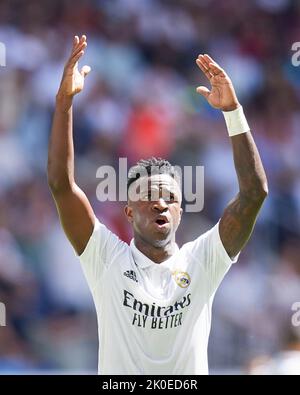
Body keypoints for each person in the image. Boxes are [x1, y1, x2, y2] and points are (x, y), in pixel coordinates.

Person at [47, 35, 268, 374]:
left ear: (180, 211)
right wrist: (63, 104)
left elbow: (254, 194)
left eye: (170, 198)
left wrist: (233, 114)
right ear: (129, 212)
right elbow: (62, 185)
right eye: (149, 197)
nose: (160, 204)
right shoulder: (106, 258)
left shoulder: (203, 260)